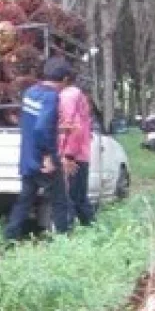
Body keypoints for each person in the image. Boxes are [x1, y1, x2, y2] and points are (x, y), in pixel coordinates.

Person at [4, 57, 72, 241]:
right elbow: (42, 128)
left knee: (25, 200)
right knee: (60, 200)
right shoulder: (51, 97)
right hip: (43, 158)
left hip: (28, 156)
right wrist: (49, 156)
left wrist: (57, 129)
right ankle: (64, 240)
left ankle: (10, 237)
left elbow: (32, 122)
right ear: (65, 79)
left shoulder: (30, 92)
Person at [58, 73, 95, 228]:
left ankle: (70, 234)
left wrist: (68, 155)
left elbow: (75, 129)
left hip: (74, 156)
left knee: (71, 198)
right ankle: (92, 229)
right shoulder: (82, 102)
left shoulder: (70, 96)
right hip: (81, 155)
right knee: (79, 198)